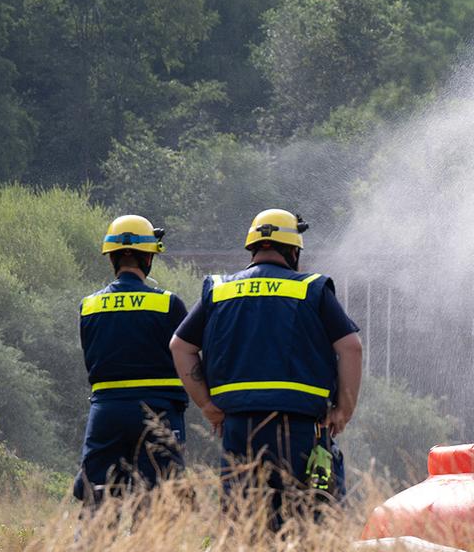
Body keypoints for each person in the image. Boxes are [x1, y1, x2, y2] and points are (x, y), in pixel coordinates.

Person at [170, 208, 362, 528]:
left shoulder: (219, 289)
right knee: (309, 522)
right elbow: (351, 347)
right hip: (302, 428)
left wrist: (207, 406)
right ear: (294, 251)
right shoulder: (312, 288)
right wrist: (344, 410)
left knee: (245, 522)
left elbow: (181, 346)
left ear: (253, 249)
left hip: (239, 428)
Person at [75, 214, 189, 505]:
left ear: (112, 258)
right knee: (158, 502)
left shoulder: (89, 306)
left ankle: (90, 551)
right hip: (158, 412)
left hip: (106, 413)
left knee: (96, 499)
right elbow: (188, 353)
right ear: (149, 259)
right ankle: (148, 551)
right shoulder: (168, 304)